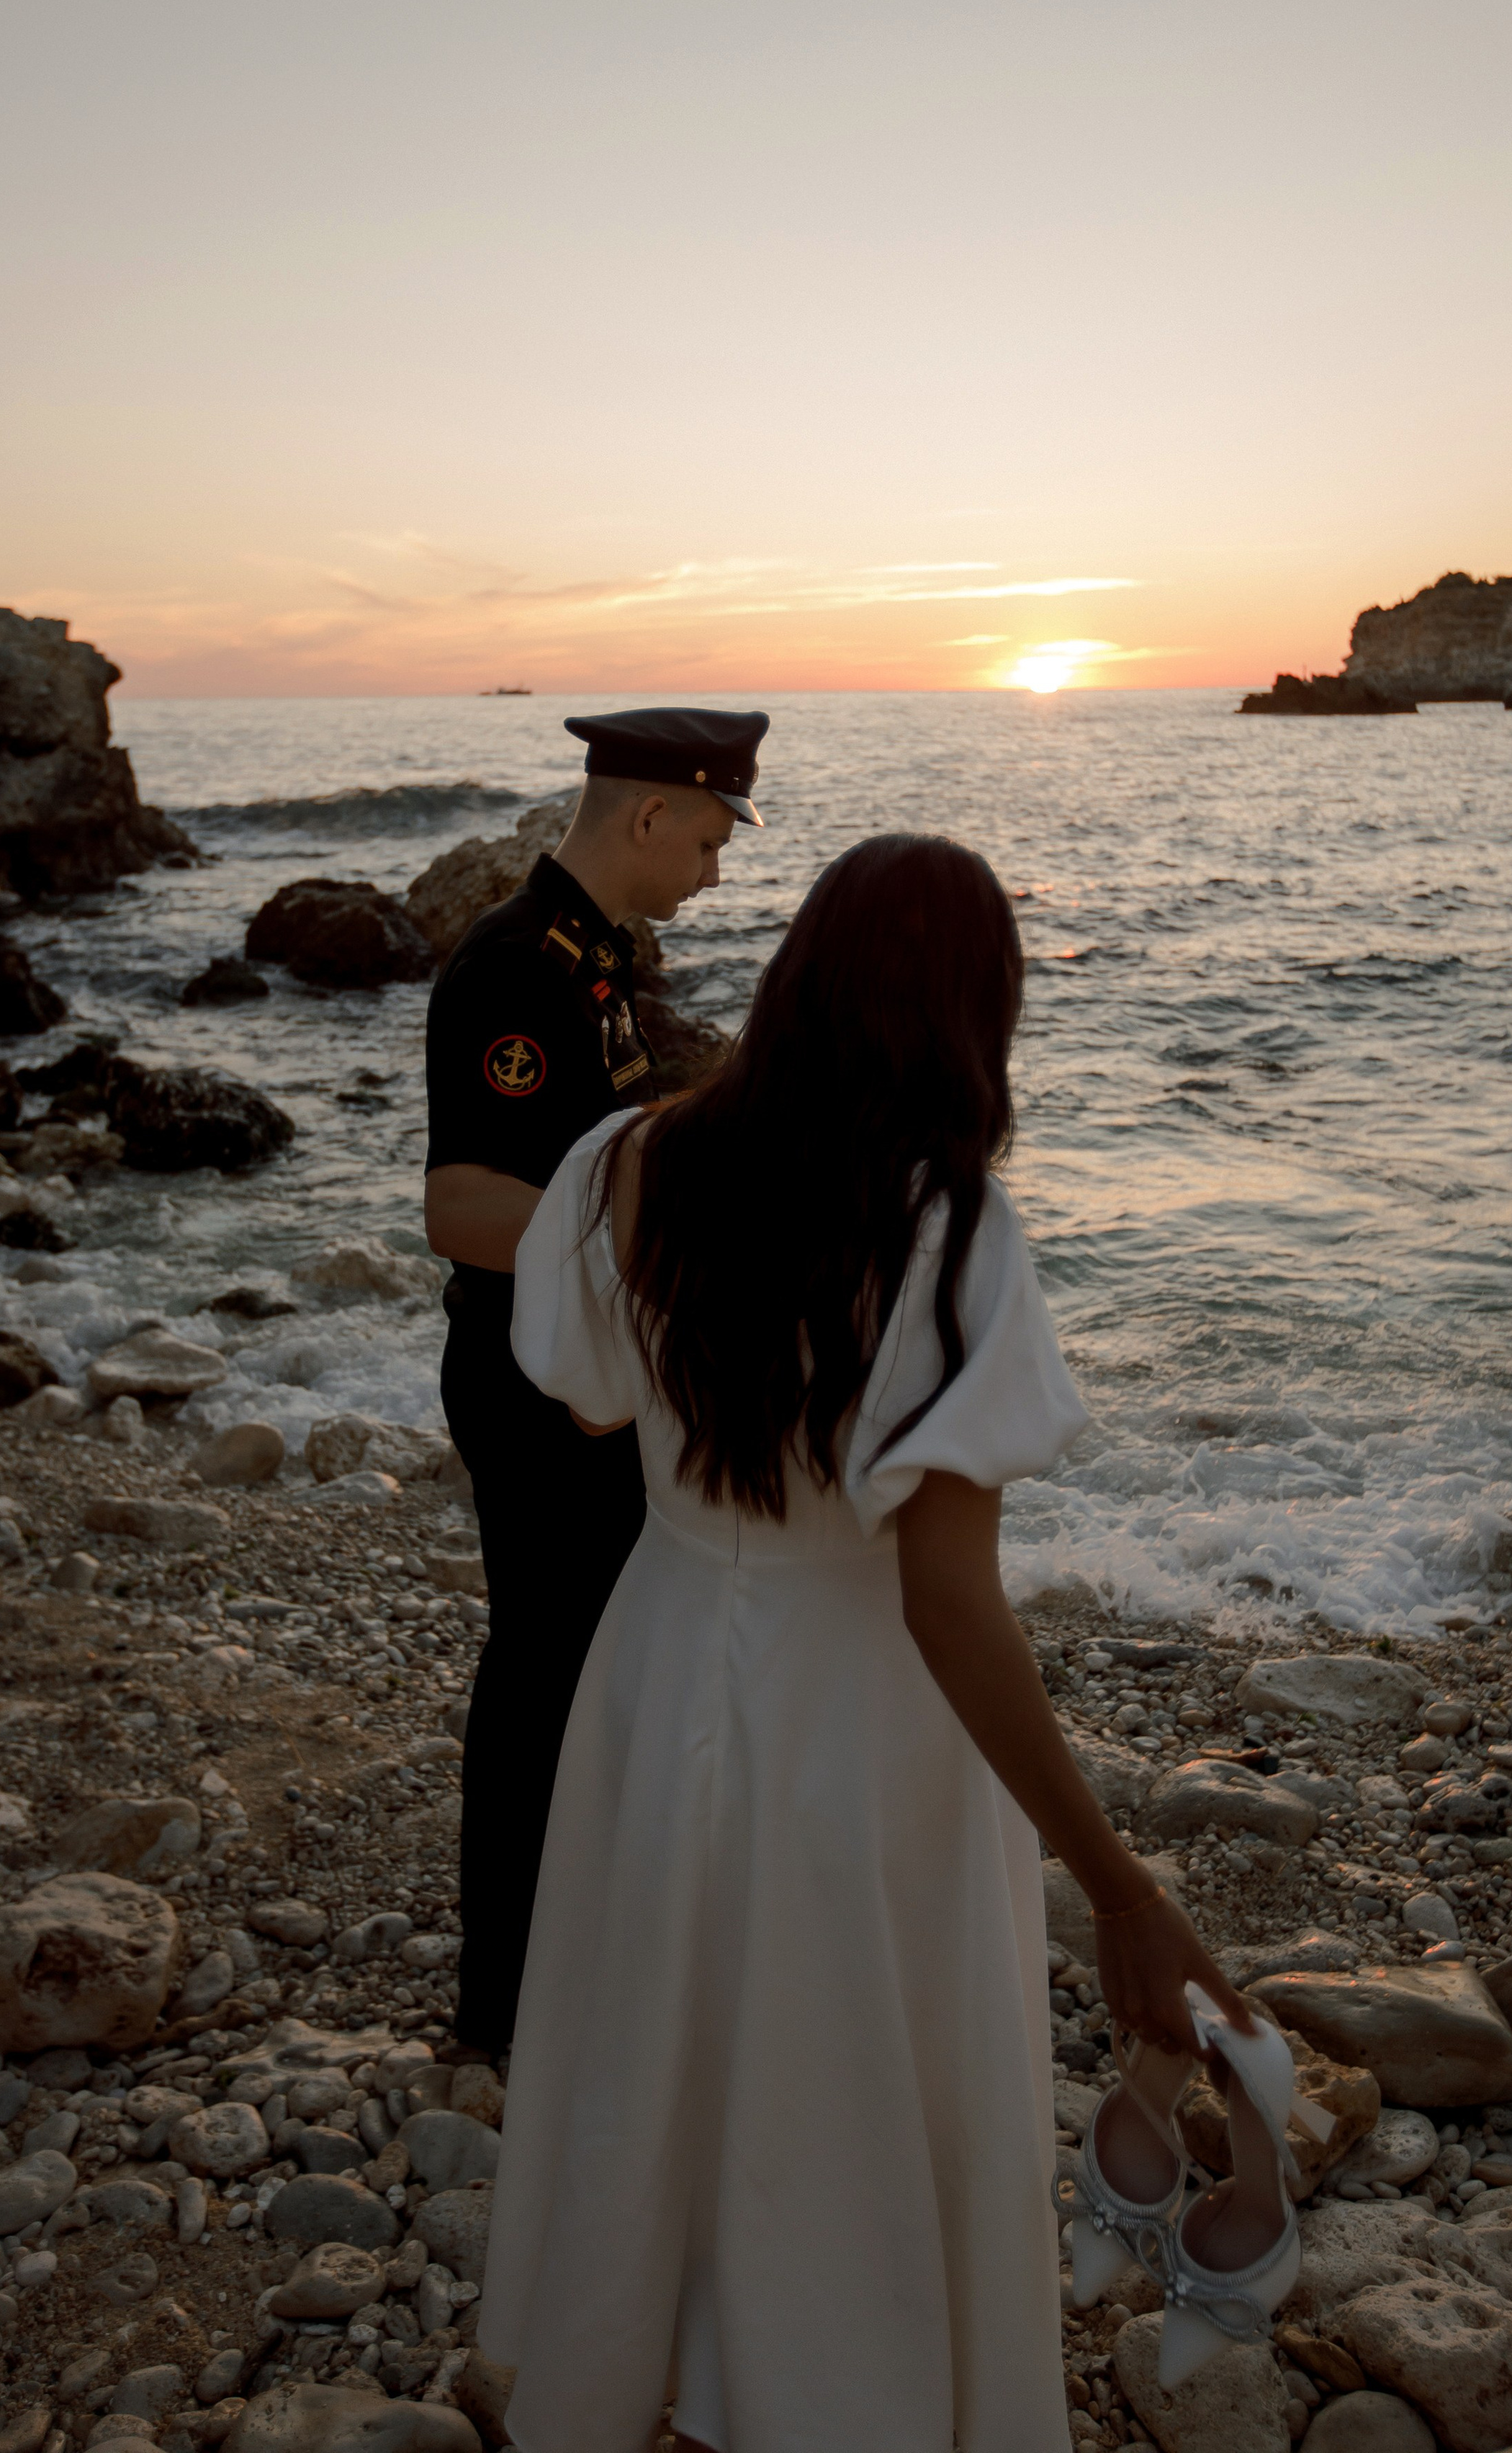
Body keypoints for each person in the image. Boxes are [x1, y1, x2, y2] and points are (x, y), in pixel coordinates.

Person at [479, 833, 1245, 2453]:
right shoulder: (950, 1231)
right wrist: (1120, 1889)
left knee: (662, 2035)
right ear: (975, 1014)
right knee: (842, 2082)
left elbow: (589, 1398)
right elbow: (942, 1596)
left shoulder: (629, 1161)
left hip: (660, 1655)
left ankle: (645, 2375)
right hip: (859, 1714)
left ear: (799, 977)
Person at [423, 704, 768, 2056]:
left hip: (581, 1370)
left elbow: (598, 1146)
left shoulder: (597, 961)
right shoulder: (518, 968)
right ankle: (506, 2005)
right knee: (544, 1675)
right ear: (650, 813)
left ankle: (574, 1964)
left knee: (594, 1669)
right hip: (526, 1379)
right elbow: (461, 1205)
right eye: (711, 839)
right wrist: (658, 1233)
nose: (716, 871)